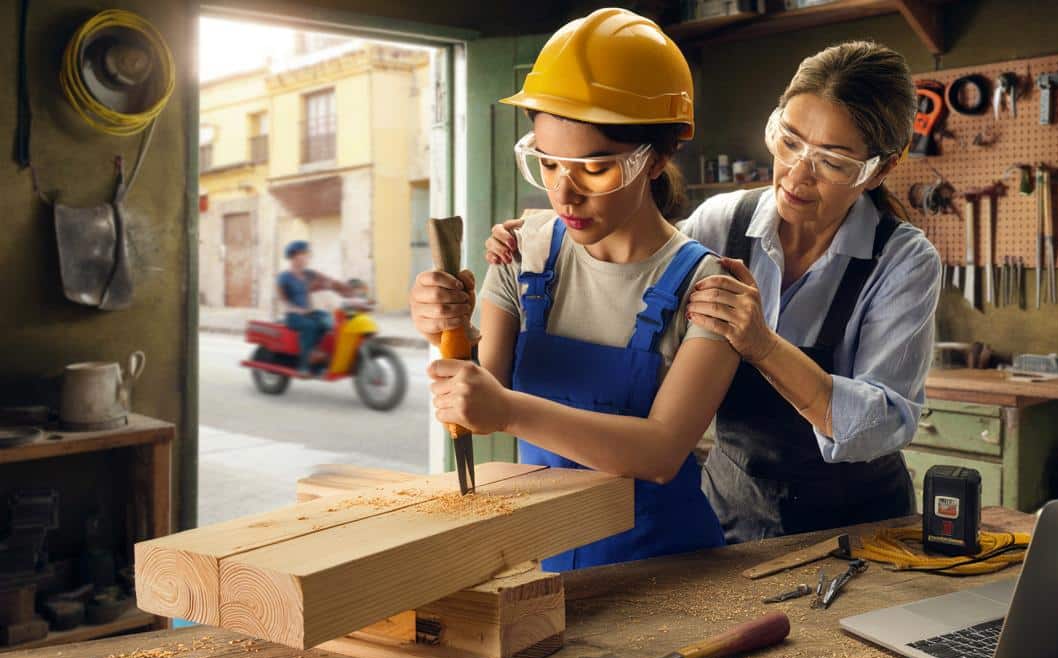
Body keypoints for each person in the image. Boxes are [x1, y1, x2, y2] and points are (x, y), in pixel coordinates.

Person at [484, 41, 941, 543]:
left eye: (832, 161)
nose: (797, 174)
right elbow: (636, 264)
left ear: (882, 167)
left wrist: (763, 346)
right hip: (733, 511)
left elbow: (882, 423)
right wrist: (541, 242)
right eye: (789, 142)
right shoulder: (721, 224)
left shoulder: (902, 260)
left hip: (861, 523)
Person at [409, 8, 740, 570]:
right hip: (542, 559)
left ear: (656, 157)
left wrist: (507, 411)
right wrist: (447, 331)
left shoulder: (709, 289)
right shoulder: (522, 253)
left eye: (594, 169)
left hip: (667, 573)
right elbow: (482, 392)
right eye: (548, 163)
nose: (564, 195)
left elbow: (660, 452)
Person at [276, 240, 351, 375]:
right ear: (293, 256)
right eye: (303, 254)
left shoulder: (309, 274)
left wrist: (346, 289)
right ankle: (304, 366)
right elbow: (283, 300)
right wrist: (296, 310)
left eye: (307, 254)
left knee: (329, 320)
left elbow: (329, 282)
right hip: (293, 316)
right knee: (310, 326)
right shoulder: (284, 277)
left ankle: (319, 355)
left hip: (308, 313)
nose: (307, 257)